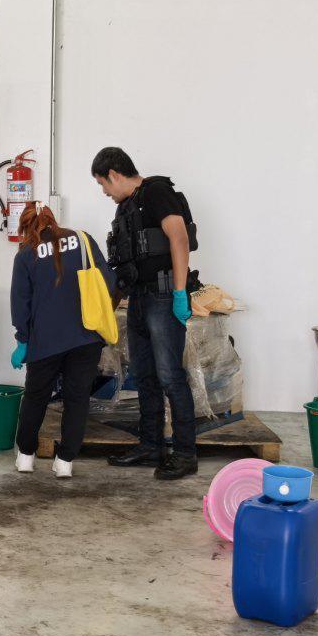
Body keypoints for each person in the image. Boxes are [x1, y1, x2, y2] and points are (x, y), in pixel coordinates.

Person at [92, 147, 199, 480]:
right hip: (138, 299)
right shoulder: (126, 207)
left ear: (114, 174)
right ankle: (151, 445)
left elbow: (179, 239)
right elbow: (125, 263)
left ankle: (185, 454)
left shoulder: (156, 192)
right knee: (145, 376)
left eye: (102, 184)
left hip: (163, 297)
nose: (104, 191)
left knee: (170, 376)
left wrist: (179, 293)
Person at [9, 204, 114, 478]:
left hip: (45, 341)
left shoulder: (26, 254)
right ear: (52, 220)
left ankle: (26, 457)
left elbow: (20, 303)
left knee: (35, 397)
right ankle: (65, 462)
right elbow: (108, 281)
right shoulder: (83, 240)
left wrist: (22, 340)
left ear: (25, 228)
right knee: (77, 399)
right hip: (86, 337)